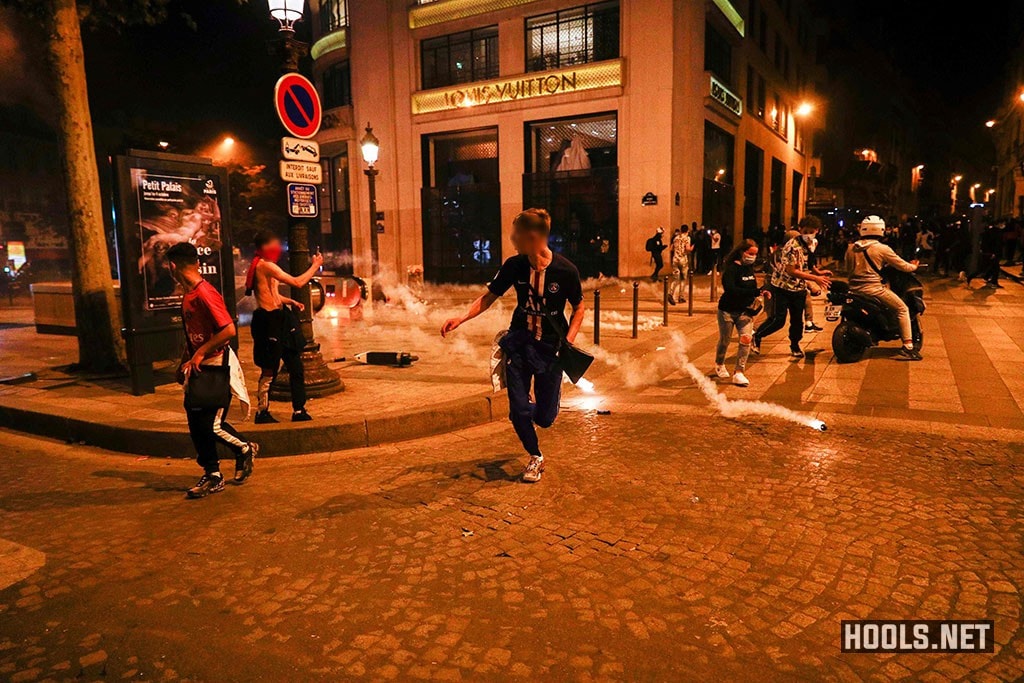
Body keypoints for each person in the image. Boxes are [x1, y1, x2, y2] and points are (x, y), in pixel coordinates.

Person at [441, 209, 585, 483]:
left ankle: (529, 411)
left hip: (551, 351)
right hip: (519, 344)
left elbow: (579, 307)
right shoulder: (514, 265)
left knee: (545, 418)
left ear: (533, 237)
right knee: (518, 410)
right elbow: (488, 297)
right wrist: (460, 318)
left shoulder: (565, 270)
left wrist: (568, 342)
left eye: (515, 234)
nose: (511, 239)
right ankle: (535, 456)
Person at [167, 242, 258, 499]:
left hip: (217, 366)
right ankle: (213, 475)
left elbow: (228, 329)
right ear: (195, 262)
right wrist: (185, 361)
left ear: (173, 266)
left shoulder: (205, 293)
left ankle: (244, 449)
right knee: (196, 425)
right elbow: (193, 335)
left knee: (211, 425)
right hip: (198, 366)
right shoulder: (189, 294)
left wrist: (199, 353)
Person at [245, 231, 323, 423]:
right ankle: (262, 412)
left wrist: (291, 302)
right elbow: (297, 282)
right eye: (274, 244)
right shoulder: (264, 266)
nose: (278, 248)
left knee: (295, 366)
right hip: (268, 323)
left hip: (282, 319)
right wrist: (315, 265)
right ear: (264, 247)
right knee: (269, 369)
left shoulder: (268, 267)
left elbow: (273, 294)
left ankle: (299, 410)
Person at [752, 216, 832, 358]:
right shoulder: (792, 247)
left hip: (798, 288)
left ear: (817, 231)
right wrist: (815, 279)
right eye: (805, 231)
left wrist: (818, 272)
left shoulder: (813, 243)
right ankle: (757, 336)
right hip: (782, 287)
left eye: (811, 231)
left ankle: (795, 345)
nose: (808, 234)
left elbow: (809, 263)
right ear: (800, 229)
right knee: (778, 320)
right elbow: (792, 271)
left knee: (797, 321)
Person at [845, 215, 922, 361]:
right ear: (881, 229)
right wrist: (914, 266)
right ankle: (908, 347)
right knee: (902, 309)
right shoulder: (882, 248)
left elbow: (847, 269)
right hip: (874, 289)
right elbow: (902, 265)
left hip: (853, 289)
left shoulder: (851, 248)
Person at [714, 239, 770, 387]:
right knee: (725, 340)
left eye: (755, 254)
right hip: (727, 310)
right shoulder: (731, 269)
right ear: (742, 252)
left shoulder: (749, 269)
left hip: (745, 312)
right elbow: (732, 290)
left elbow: (751, 287)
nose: (752, 257)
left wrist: (761, 292)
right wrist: (755, 291)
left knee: (746, 339)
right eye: (750, 253)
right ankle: (719, 363)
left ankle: (739, 372)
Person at [669, 224, 693, 305]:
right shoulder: (687, 238)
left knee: (675, 278)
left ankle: (670, 293)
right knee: (683, 278)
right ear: (687, 231)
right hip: (683, 260)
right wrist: (692, 247)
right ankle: (681, 297)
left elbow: (671, 249)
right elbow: (687, 249)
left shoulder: (676, 238)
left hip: (675, 259)